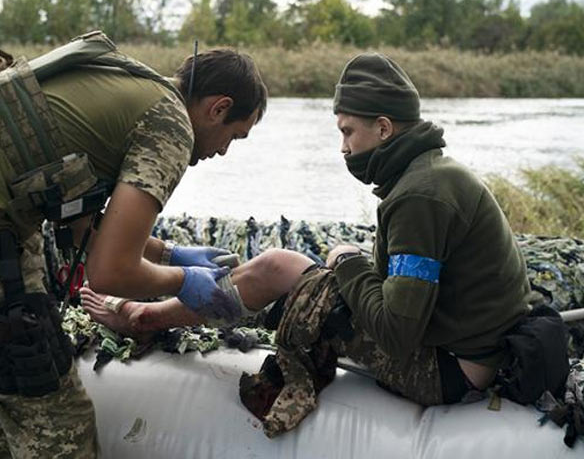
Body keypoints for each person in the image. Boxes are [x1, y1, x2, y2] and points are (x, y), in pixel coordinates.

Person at [82, 52, 535, 429]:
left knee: (280, 269)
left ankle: (143, 317)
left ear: (383, 128)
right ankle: (149, 313)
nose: (342, 148)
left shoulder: (421, 197)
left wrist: (348, 263)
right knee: (279, 270)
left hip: (448, 370)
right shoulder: (431, 175)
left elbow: (397, 332)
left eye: (347, 132)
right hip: (455, 348)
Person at [0, 30, 267, 457]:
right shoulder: (170, 125)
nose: (225, 151)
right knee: (62, 431)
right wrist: (184, 281)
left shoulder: (123, 85)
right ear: (219, 108)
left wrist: (167, 254)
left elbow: (83, 226)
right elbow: (109, 272)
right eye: (235, 136)